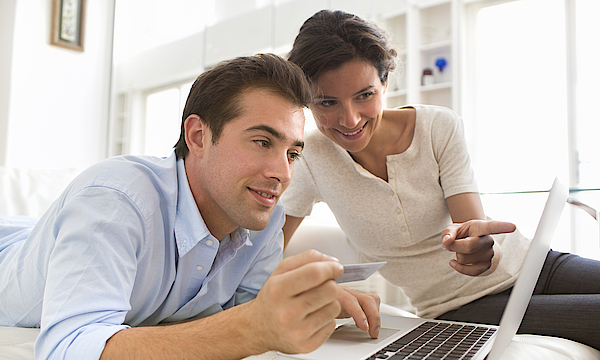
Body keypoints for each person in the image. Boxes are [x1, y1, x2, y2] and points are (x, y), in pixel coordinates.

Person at [0, 54, 380, 360]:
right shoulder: (116, 200)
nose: (283, 173)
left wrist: (308, 305)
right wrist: (253, 327)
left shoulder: (263, 220)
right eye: (263, 142)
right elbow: (67, 348)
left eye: (293, 153)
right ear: (198, 136)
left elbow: (248, 314)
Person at [281, 9, 600, 349]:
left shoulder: (437, 127)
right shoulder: (308, 157)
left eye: (365, 95)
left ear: (385, 82)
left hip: (537, 262)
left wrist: (474, 248)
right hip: (462, 307)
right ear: (307, 102)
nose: (350, 118)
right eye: (328, 102)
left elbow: (471, 226)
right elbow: (264, 253)